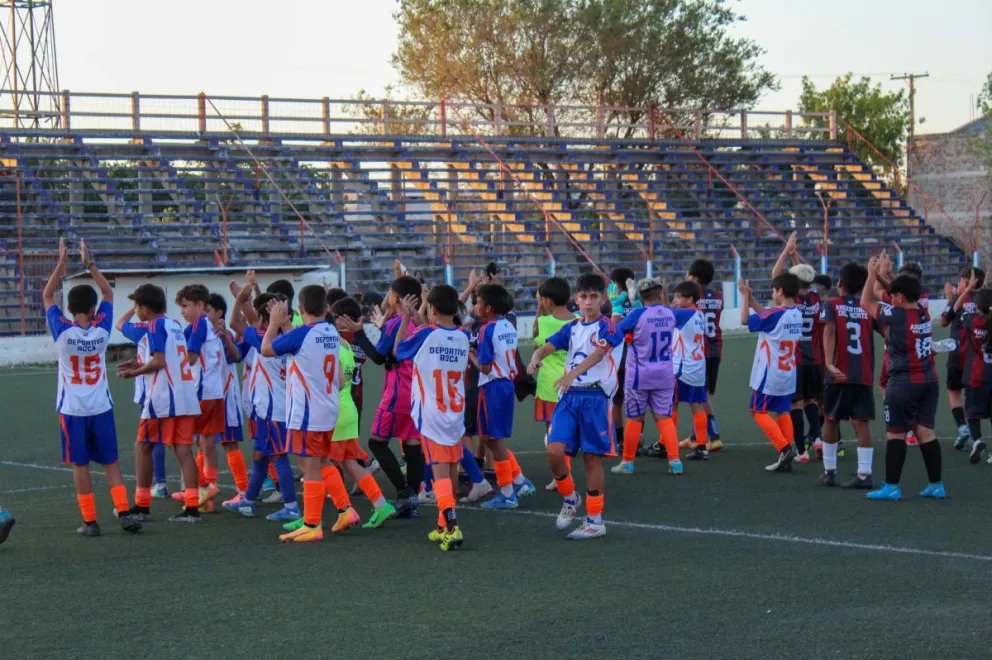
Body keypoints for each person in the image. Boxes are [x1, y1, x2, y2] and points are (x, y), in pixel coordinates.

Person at [43, 238, 142, 536]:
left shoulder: (62, 331)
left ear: (71, 309)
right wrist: (90, 265)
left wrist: (61, 264)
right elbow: (108, 292)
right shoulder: (100, 331)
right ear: (91, 307)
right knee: (110, 461)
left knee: (80, 465)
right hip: (100, 406)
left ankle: (90, 522)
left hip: (73, 409)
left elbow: (47, 296)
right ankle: (124, 512)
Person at [284, 295, 396, 532]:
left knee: (316, 463)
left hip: (333, 409)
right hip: (348, 409)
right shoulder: (347, 345)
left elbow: (335, 379)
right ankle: (379, 503)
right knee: (347, 463)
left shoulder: (330, 343)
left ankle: (336, 511)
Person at [527, 272, 624, 540]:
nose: (589, 302)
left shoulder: (609, 326)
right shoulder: (571, 327)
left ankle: (595, 520)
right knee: (554, 452)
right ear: (576, 300)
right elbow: (547, 347)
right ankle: (570, 498)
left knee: (592, 459)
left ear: (603, 299)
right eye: (584, 297)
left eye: (594, 297)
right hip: (569, 399)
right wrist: (536, 357)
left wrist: (572, 374)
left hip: (594, 398)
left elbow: (598, 354)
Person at [394, 285, 471, 551]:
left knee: (439, 474)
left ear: (433, 309)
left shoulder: (426, 332)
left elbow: (399, 349)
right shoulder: (463, 335)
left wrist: (406, 318)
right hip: (455, 410)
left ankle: (452, 527)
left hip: (433, 412)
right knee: (450, 468)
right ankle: (441, 525)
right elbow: (437, 334)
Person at [117, 283, 202, 523]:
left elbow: (158, 362)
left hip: (164, 398)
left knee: (142, 446)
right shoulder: (174, 325)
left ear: (144, 308)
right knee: (183, 451)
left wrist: (134, 373)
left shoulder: (154, 325)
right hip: (185, 396)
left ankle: (142, 506)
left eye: (137, 306)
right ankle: (192, 509)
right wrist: (139, 365)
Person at [861, 257, 944, 501]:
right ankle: (936, 484)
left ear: (900, 298)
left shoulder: (896, 315)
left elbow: (866, 302)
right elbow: (896, 291)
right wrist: (880, 276)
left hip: (904, 382)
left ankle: (892, 486)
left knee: (895, 433)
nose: (892, 297)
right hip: (929, 380)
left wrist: (870, 275)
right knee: (925, 432)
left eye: (895, 295)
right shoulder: (923, 312)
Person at [263, 285, 341, 543]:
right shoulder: (330, 331)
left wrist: (274, 324)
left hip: (308, 412)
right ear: (326, 307)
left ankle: (312, 523)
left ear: (301, 307)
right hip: (328, 408)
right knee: (319, 463)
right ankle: (341, 510)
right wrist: (285, 327)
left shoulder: (302, 335)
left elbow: (267, 349)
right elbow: (338, 378)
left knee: (309, 467)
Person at [346, 275, 425, 518]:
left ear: (396, 298)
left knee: (376, 442)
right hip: (416, 393)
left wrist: (359, 335)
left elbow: (380, 357)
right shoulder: (419, 324)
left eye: (390, 293)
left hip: (396, 393)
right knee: (413, 446)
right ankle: (413, 498)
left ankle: (403, 494)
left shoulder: (394, 324)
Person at [226, 285, 300, 522]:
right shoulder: (288, 336)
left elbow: (236, 324)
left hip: (272, 409)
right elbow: (248, 321)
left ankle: (291, 505)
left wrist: (238, 300)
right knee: (260, 455)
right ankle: (248, 500)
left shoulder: (263, 339)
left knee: (278, 456)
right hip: (271, 407)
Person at [175, 284, 239, 509]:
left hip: (200, 392)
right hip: (215, 393)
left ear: (200, 305)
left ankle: (201, 487)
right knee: (206, 442)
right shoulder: (207, 326)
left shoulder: (198, 326)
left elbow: (190, 358)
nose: (182, 311)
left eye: (185, 306)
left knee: (180, 441)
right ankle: (207, 498)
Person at [472, 283, 534, 509]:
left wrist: (471, 356)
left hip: (492, 386)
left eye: (479, 302)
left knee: (494, 440)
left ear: (487, 307)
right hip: (505, 385)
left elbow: (485, 367)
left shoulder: (486, 329)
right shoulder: (509, 325)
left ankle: (508, 493)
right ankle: (516, 481)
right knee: (491, 438)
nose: (476, 306)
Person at [610, 279, 680, 475]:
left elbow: (616, 330)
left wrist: (618, 307)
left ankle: (628, 462)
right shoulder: (670, 313)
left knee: (634, 418)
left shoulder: (637, 315)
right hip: (665, 374)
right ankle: (675, 461)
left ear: (640, 297)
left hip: (639, 376)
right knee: (664, 418)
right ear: (660, 294)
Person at [819, 262, 877, 488]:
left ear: (840, 283)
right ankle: (865, 474)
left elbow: (829, 330)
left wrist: (828, 362)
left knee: (831, 419)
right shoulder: (868, 308)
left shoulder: (832, 304)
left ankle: (829, 471)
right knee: (861, 423)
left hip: (839, 372)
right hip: (862, 372)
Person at [738, 273, 803, 472]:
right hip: (788, 373)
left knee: (757, 411)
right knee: (783, 411)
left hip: (770, 373)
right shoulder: (797, 313)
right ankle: (788, 450)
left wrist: (745, 297)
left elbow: (745, 320)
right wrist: (752, 298)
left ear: (780, 291)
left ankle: (783, 448)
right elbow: (767, 316)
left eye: (774, 290)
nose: (773, 294)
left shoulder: (774, 314)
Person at [771, 234, 823, 462]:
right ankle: (819, 439)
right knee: (812, 401)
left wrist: (786, 251)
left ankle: (801, 451)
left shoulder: (792, 300)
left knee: (796, 403)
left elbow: (776, 276)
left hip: (796, 358)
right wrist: (796, 257)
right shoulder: (815, 298)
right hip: (815, 357)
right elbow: (804, 275)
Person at [116, 303, 170, 498]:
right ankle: (194, 487)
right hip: (174, 390)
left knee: (148, 442)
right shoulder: (174, 326)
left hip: (150, 391)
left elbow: (120, 323)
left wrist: (131, 307)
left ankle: (158, 486)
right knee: (180, 442)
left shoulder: (142, 329)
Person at [875, 258, 930, 446]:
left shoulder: (898, 304)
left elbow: (878, 291)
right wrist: (889, 275)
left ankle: (901, 422)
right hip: (919, 352)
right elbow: (895, 287)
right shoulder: (920, 297)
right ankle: (912, 427)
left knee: (886, 386)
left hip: (898, 349)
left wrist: (880, 273)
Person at [205, 294, 250, 509]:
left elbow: (237, 356)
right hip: (208, 393)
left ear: (219, 313)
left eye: (208, 310)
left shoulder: (225, 334)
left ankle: (243, 491)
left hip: (225, 391)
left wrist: (224, 338)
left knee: (228, 441)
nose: (204, 315)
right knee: (203, 441)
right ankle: (205, 489)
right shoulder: (202, 332)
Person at [533, 277, 577, 490]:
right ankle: (564, 473)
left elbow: (535, 340)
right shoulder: (578, 320)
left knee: (553, 432)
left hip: (549, 386)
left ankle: (561, 476)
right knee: (566, 431)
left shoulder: (543, 322)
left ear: (547, 300)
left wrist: (538, 310)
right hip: (573, 383)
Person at [940, 267, 984, 450]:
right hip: (977, 356)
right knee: (973, 395)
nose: (958, 283)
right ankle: (975, 436)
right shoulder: (983, 299)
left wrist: (951, 299)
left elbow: (943, 321)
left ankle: (963, 428)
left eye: (961, 280)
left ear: (967, 281)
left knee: (953, 391)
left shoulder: (959, 299)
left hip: (958, 355)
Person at [669, 281, 710, 464]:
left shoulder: (684, 314)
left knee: (671, 405)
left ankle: (665, 444)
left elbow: (660, 313)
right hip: (697, 367)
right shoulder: (698, 314)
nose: (675, 300)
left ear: (690, 299)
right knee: (697, 406)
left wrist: (660, 294)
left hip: (682, 368)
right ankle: (702, 446)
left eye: (678, 297)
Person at [952, 275, 991, 464]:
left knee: (973, 413)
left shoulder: (972, 321)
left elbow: (955, 308)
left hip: (976, 375)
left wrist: (966, 291)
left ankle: (978, 440)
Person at [686, 259, 723, 452]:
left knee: (701, 397)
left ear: (693, 277)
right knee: (701, 394)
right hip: (716, 348)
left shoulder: (691, 297)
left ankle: (715, 437)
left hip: (700, 351)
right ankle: (694, 436)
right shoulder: (718, 297)